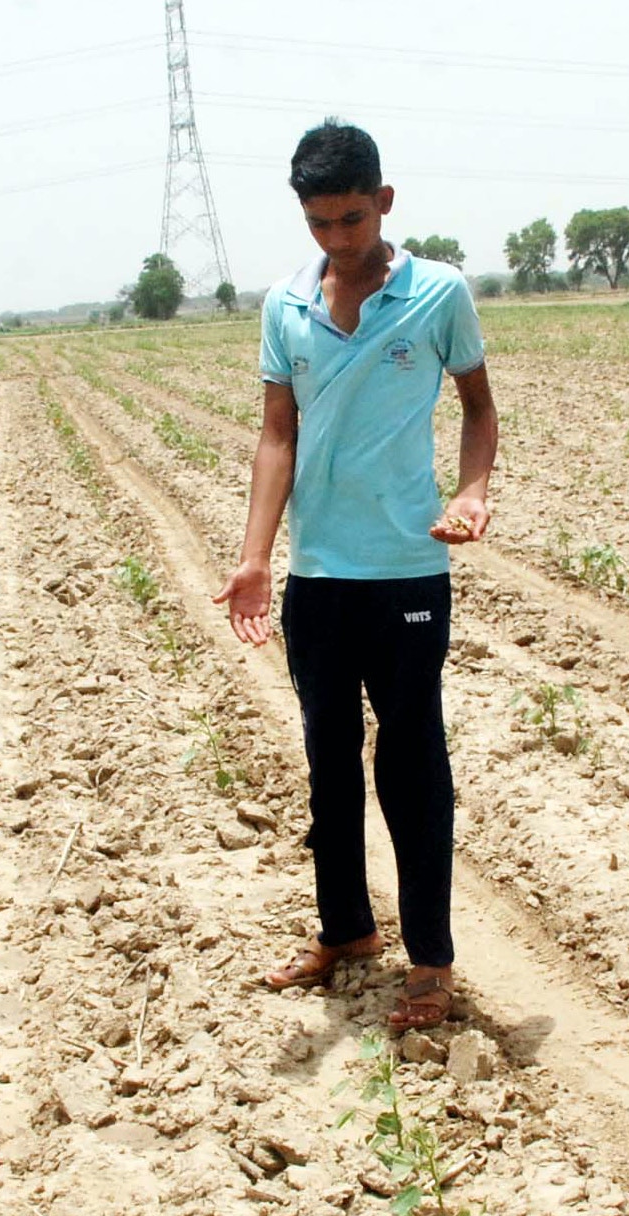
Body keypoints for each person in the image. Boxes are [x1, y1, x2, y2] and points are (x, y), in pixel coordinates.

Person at [213, 121, 498, 1030]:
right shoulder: (284, 306)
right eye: (319, 222)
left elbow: (480, 409)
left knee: (412, 759)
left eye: (351, 217)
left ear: (384, 200)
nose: (338, 238)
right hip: (320, 577)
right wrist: (257, 557)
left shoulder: (437, 293)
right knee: (327, 757)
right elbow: (276, 435)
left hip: (410, 570)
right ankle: (346, 930)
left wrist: (476, 490)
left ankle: (431, 960)